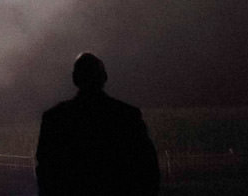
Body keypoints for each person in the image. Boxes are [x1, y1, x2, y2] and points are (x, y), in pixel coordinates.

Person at [35, 52, 160, 196]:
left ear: (75, 78)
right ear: (104, 77)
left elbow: (45, 170)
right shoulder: (126, 115)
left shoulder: (55, 118)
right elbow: (148, 167)